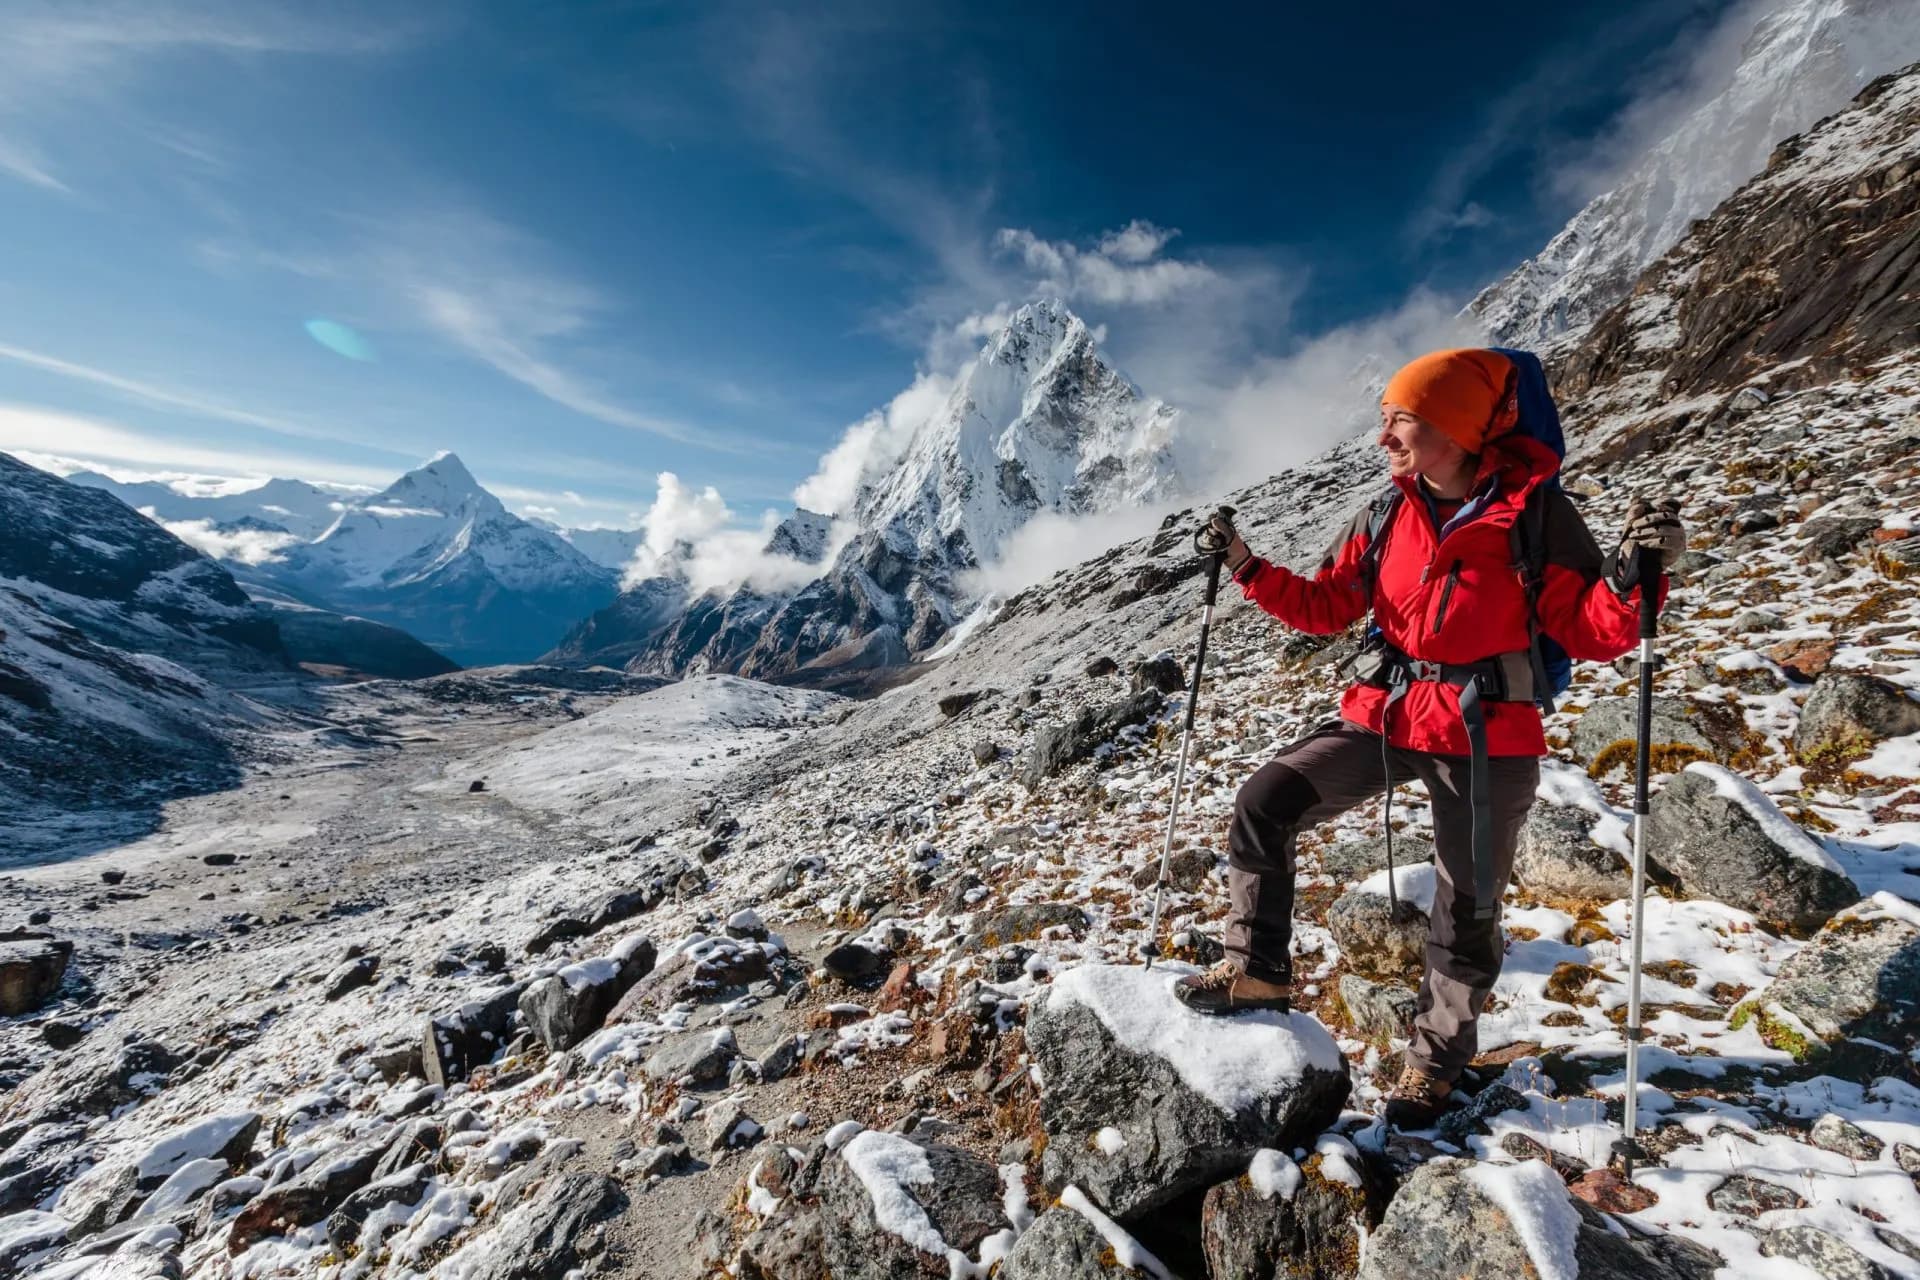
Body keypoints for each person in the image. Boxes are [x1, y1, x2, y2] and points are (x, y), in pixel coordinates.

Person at [1173, 348, 1683, 1129]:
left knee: (1466, 907)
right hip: (1393, 715)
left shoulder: (1536, 515)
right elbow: (1327, 606)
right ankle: (1258, 968)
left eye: (1401, 422)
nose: (1384, 439)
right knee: (1267, 800)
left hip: (1490, 734)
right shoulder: (1387, 514)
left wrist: (1631, 581)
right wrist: (1244, 564)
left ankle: (1435, 1067)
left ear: (1456, 429)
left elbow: (1586, 627)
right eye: (1384, 421)